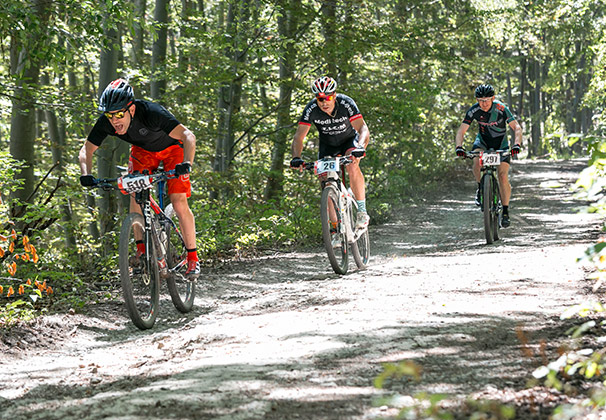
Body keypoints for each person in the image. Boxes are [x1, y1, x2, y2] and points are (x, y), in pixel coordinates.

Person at [78, 78, 200, 279]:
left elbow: (188, 135)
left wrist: (187, 163)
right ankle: (142, 251)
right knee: (135, 194)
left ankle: (193, 258)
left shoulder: (151, 112)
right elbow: (87, 149)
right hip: (143, 152)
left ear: (131, 110)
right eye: (109, 115)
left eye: (119, 114)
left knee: (178, 200)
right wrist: (86, 174)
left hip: (173, 150)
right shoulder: (108, 123)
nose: (115, 121)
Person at [290, 76, 371, 230]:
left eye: (328, 97)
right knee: (325, 182)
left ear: (334, 95)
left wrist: (361, 147)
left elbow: (363, 128)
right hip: (328, 146)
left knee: (352, 165)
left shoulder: (345, 103)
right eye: (320, 99)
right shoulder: (311, 109)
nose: (324, 102)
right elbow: (299, 137)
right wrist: (296, 157)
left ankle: (361, 211)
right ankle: (335, 229)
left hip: (349, 141)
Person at [454, 84, 523, 228]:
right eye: (480, 100)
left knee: (503, 176)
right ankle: (481, 187)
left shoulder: (501, 108)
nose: (483, 103)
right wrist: (459, 147)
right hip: (483, 142)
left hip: (501, 143)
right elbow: (461, 130)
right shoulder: (474, 110)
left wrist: (516, 144)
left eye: (486, 100)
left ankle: (505, 210)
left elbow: (516, 127)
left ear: (493, 98)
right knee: (476, 161)